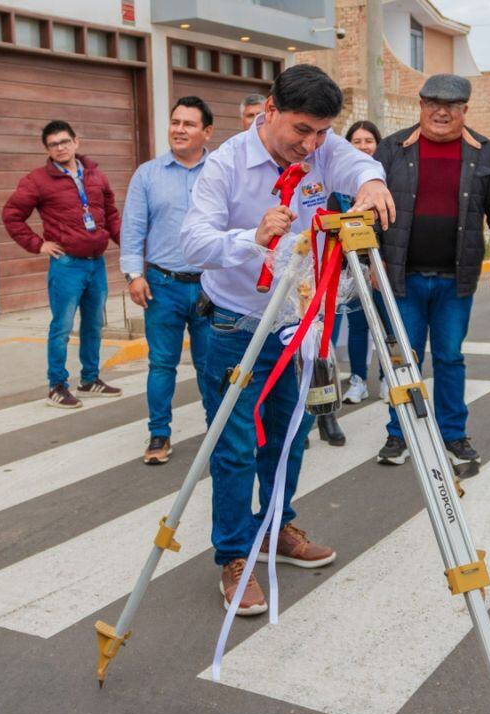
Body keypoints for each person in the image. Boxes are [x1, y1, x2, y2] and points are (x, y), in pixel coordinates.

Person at [181, 64, 393, 615]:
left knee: (290, 435)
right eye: (302, 130)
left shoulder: (323, 152)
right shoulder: (225, 165)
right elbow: (194, 242)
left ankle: (277, 527)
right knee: (233, 448)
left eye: (322, 132)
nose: (312, 143)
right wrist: (250, 239)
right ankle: (234, 555)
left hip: (295, 324)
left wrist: (370, 181)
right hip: (235, 325)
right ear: (270, 110)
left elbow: (357, 160)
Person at [373, 73, 490, 468]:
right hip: (402, 278)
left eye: (451, 105)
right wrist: (373, 261)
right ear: (420, 106)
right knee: (405, 359)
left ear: (464, 110)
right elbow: (367, 204)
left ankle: (452, 434)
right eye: (432, 103)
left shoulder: (486, 153)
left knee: (450, 357)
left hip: (456, 280)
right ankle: (398, 433)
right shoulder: (391, 150)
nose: (441, 112)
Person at [121, 97, 217, 465]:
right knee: (162, 364)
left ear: (206, 132)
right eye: (175, 122)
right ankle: (159, 434)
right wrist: (134, 275)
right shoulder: (148, 174)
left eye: (188, 124)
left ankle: (216, 433)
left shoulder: (220, 170)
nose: (179, 129)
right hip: (162, 286)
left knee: (212, 365)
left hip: (212, 286)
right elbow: (133, 228)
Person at [3, 120, 122, 409]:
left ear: (76, 142)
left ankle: (90, 378)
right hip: (67, 265)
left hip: (96, 264)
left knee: (94, 324)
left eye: (64, 141)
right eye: (53, 144)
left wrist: (128, 246)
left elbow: (110, 213)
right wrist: (38, 244)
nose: (60, 148)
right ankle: (57, 385)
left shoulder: (95, 175)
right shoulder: (37, 181)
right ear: (47, 149)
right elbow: (11, 215)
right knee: (62, 327)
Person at [331, 120, 383, 412]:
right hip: (348, 268)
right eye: (357, 141)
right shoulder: (338, 184)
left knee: (386, 324)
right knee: (358, 327)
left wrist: (382, 262)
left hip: (380, 266)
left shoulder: (382, 183)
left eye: (369, 140)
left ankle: (388, 377)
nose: (363, 146)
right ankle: (358, 380)